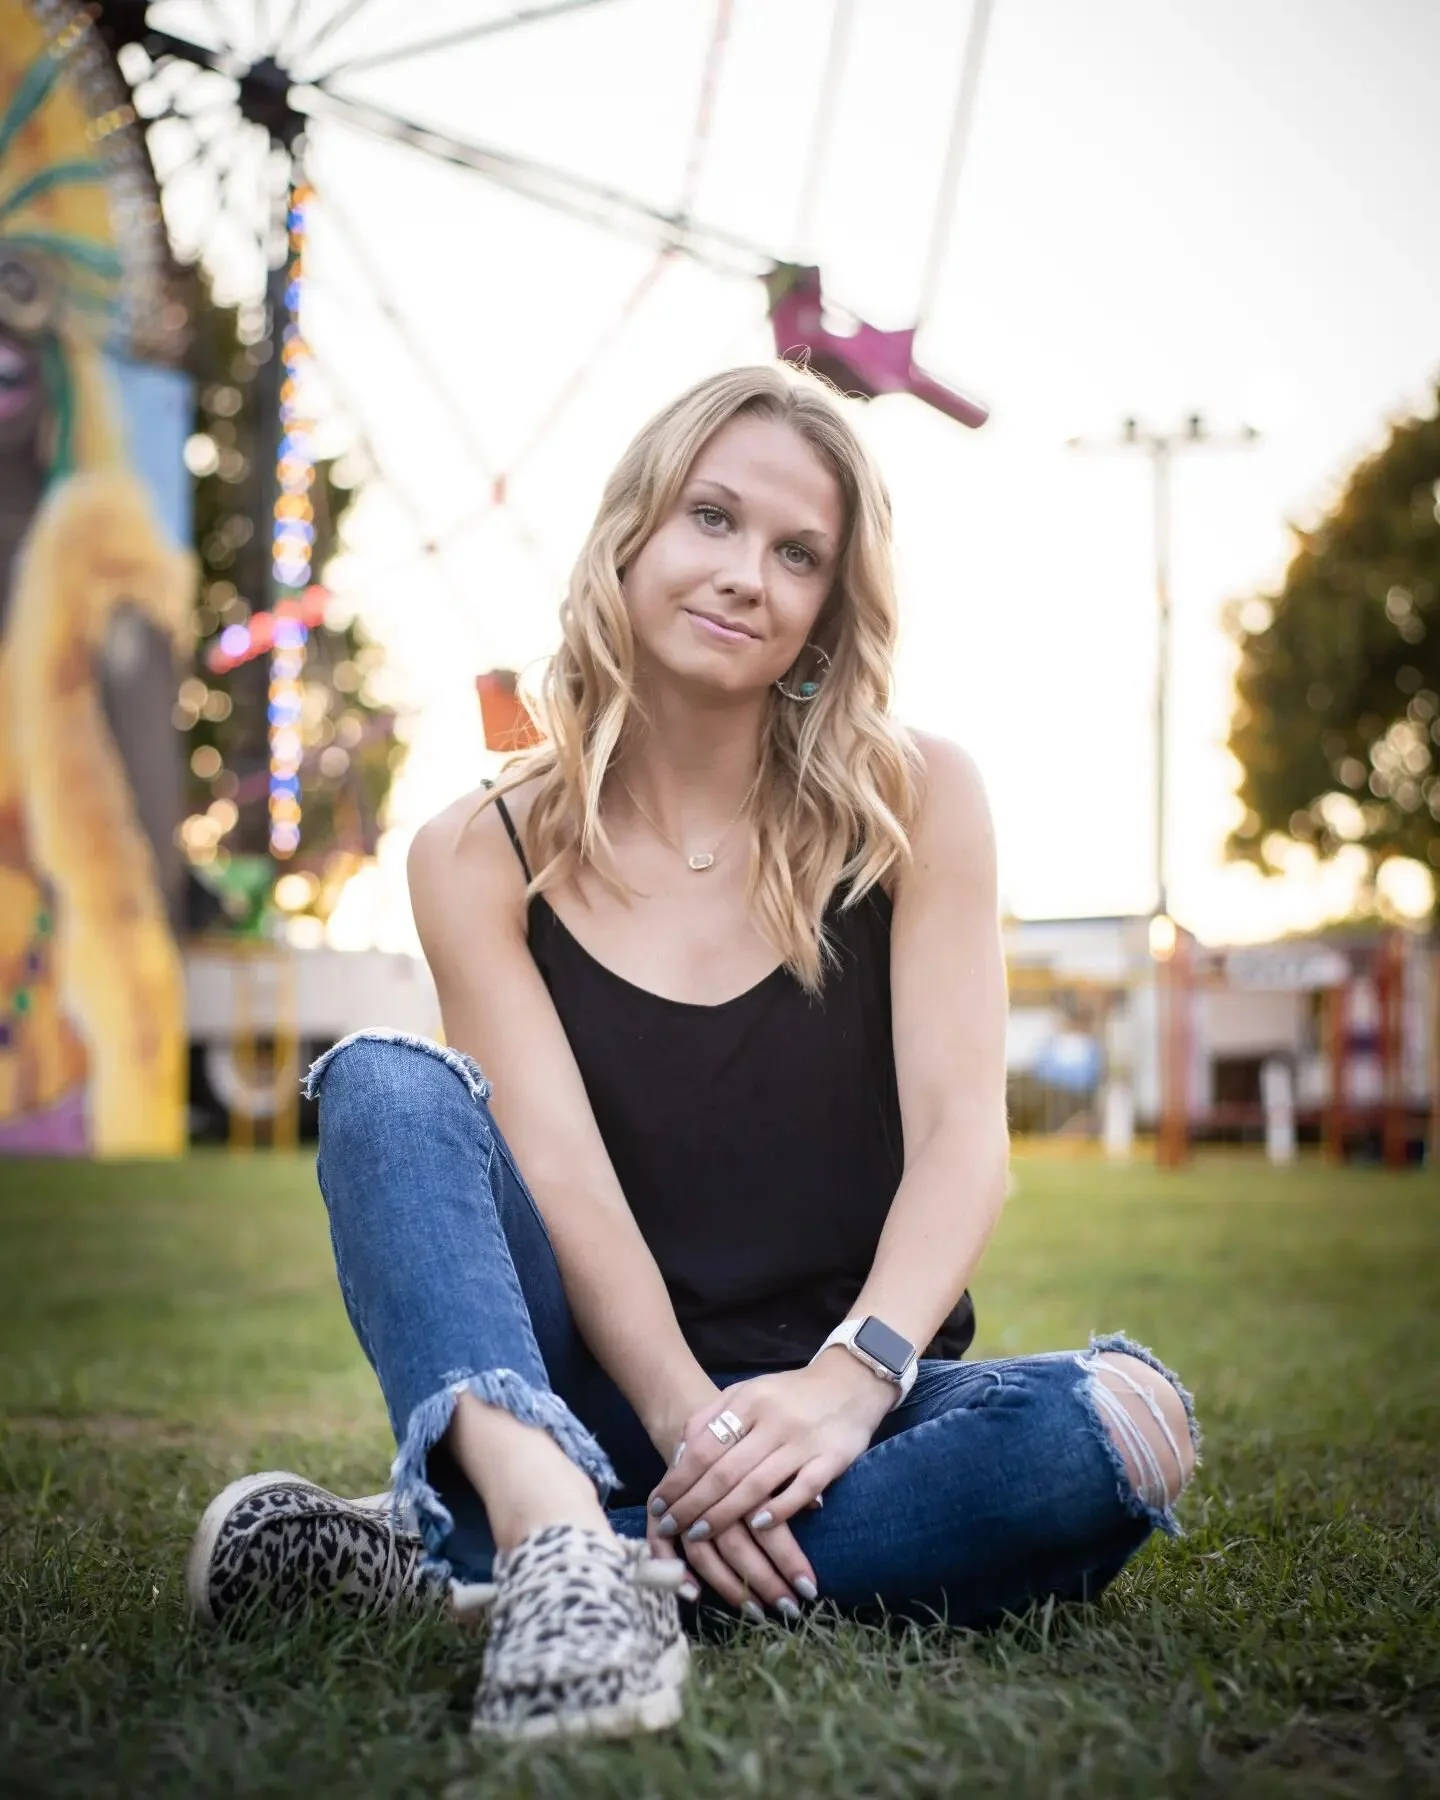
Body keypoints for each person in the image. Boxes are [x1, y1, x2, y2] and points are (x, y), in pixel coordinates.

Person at [185, 365, 1199, 1744]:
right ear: (634, 536)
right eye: (712, 520)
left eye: (798, 556)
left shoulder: (918, 800)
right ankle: (551, 1527)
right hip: (589, 1395)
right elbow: (557, 1171)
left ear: (828, 612)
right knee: (383, 1084)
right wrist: (684, 1419)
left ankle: (482, 1567)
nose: (746, 577)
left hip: (840, 1400)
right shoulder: (479, 852)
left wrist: (849, 1385)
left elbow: (968, 1136)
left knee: (1124, 1428)